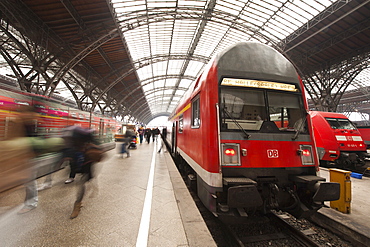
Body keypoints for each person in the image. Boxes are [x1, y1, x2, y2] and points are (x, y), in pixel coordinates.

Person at [67, 127, 104, 219]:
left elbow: (100, 154)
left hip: (87, 166)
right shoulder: (75, 145)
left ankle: (77, 205)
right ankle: (94, 186)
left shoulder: (90, 145)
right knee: (85, 181)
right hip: (80, 166)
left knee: (82, 183)